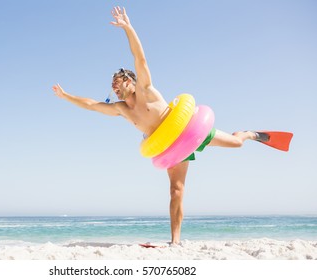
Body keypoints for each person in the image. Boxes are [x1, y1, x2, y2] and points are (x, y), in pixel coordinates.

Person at [52, 6, 261, 244]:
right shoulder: (121, 109)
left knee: (236, 144)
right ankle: (175, 241)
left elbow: (139, 57)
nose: (114, 87)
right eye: (112, 85)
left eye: (117, 82)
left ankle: (247, 134)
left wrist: (128, 28)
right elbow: (91, 105)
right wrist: (66, 96)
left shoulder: (146, 89)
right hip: (171, 148)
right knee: (176, 192)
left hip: (190, 129)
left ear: (130, 81)